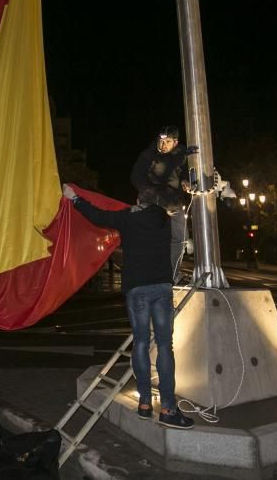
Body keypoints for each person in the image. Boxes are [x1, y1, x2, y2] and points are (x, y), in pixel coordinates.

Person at [63, 183, 194, 430]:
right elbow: (178, 240)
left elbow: (98, 216)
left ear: (137, 200)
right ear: (156, 202)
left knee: (141, 343)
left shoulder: (127, 218)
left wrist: (74, 198)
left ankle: (144, 403)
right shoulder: (165, 220)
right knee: (165, 345)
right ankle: (168, 408)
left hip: (137, 289)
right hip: (162, 287)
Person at [130, 125, 197, 277]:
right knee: (153, 236)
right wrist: (153, 195)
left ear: (175, 142)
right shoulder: (148, 155)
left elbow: (186, 170)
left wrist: (186, 181)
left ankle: (172, 275)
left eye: (167, 142)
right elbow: (136, 177)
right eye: (161, 141)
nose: (163, 145)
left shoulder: (181, 154)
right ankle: (148, 273)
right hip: (153, 201)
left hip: (173, 201)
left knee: (179, 238)